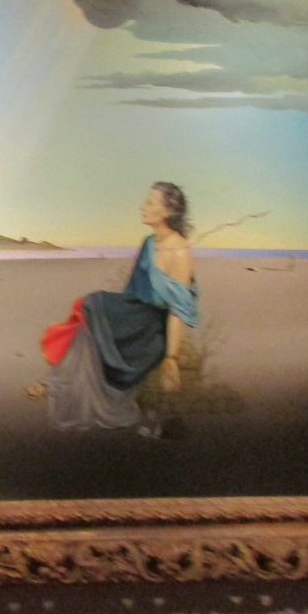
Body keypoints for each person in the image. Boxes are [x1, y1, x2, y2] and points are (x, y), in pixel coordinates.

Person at [36, 182, 198, 431]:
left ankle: (54, 383)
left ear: (167, 211)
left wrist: (171, 358)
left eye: (150, 202)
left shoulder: (179, 252)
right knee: (90, 312)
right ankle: (55, 382)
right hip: (134, 313)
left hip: (153, 329)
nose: (143, 207)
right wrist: (120, 316)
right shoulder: (149, 243)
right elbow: (132, 291)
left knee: (94, 307)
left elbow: (178, 310)